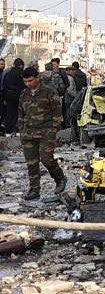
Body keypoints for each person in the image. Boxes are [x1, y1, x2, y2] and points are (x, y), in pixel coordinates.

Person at [19, 67, 66, 201]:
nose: (28, 84)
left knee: (46, 159)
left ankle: (59, 178)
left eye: (30, 81)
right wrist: (21, 129)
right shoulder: (24, 94)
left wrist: (55, 128)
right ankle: (34, 190)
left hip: (46, 132)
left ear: (37, 78)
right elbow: (21, 112)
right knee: (31, 163)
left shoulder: (49, 91)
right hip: (28, 133)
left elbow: (57, 110)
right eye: (25, 81)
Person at [3, 58, 24, 134]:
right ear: (21, 65)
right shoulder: (22, 74)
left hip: (9, 95)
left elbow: (4, 86)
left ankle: (8, 130)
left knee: (9, 112)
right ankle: (16, 129)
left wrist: (4, 98)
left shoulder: (7, 74)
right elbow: (24, 85)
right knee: (18, 112)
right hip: (19, 95)